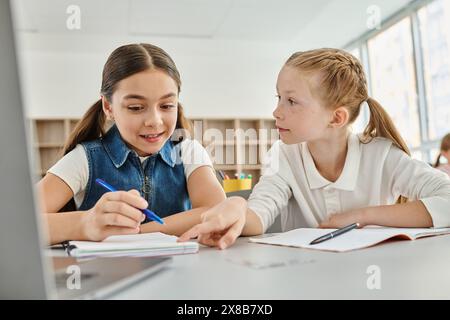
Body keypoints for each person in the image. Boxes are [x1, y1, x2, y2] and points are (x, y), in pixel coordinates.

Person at [178, 48, 450, 249]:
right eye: (279, 98)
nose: (276, 111)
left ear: (336, 118)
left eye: (292, 101)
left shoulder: (381, 156)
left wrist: (362, 216)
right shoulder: (283, 156)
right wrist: (237, 207)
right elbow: (259, 214)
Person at [38, 43, 225, 245]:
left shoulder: (188, 151)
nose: (154, 120)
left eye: (167, 106)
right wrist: (85, 223)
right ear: (108, 107)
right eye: (136, 107)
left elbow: (217, 212)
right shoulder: (85, 158)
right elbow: (14, 222)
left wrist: (137, 233)